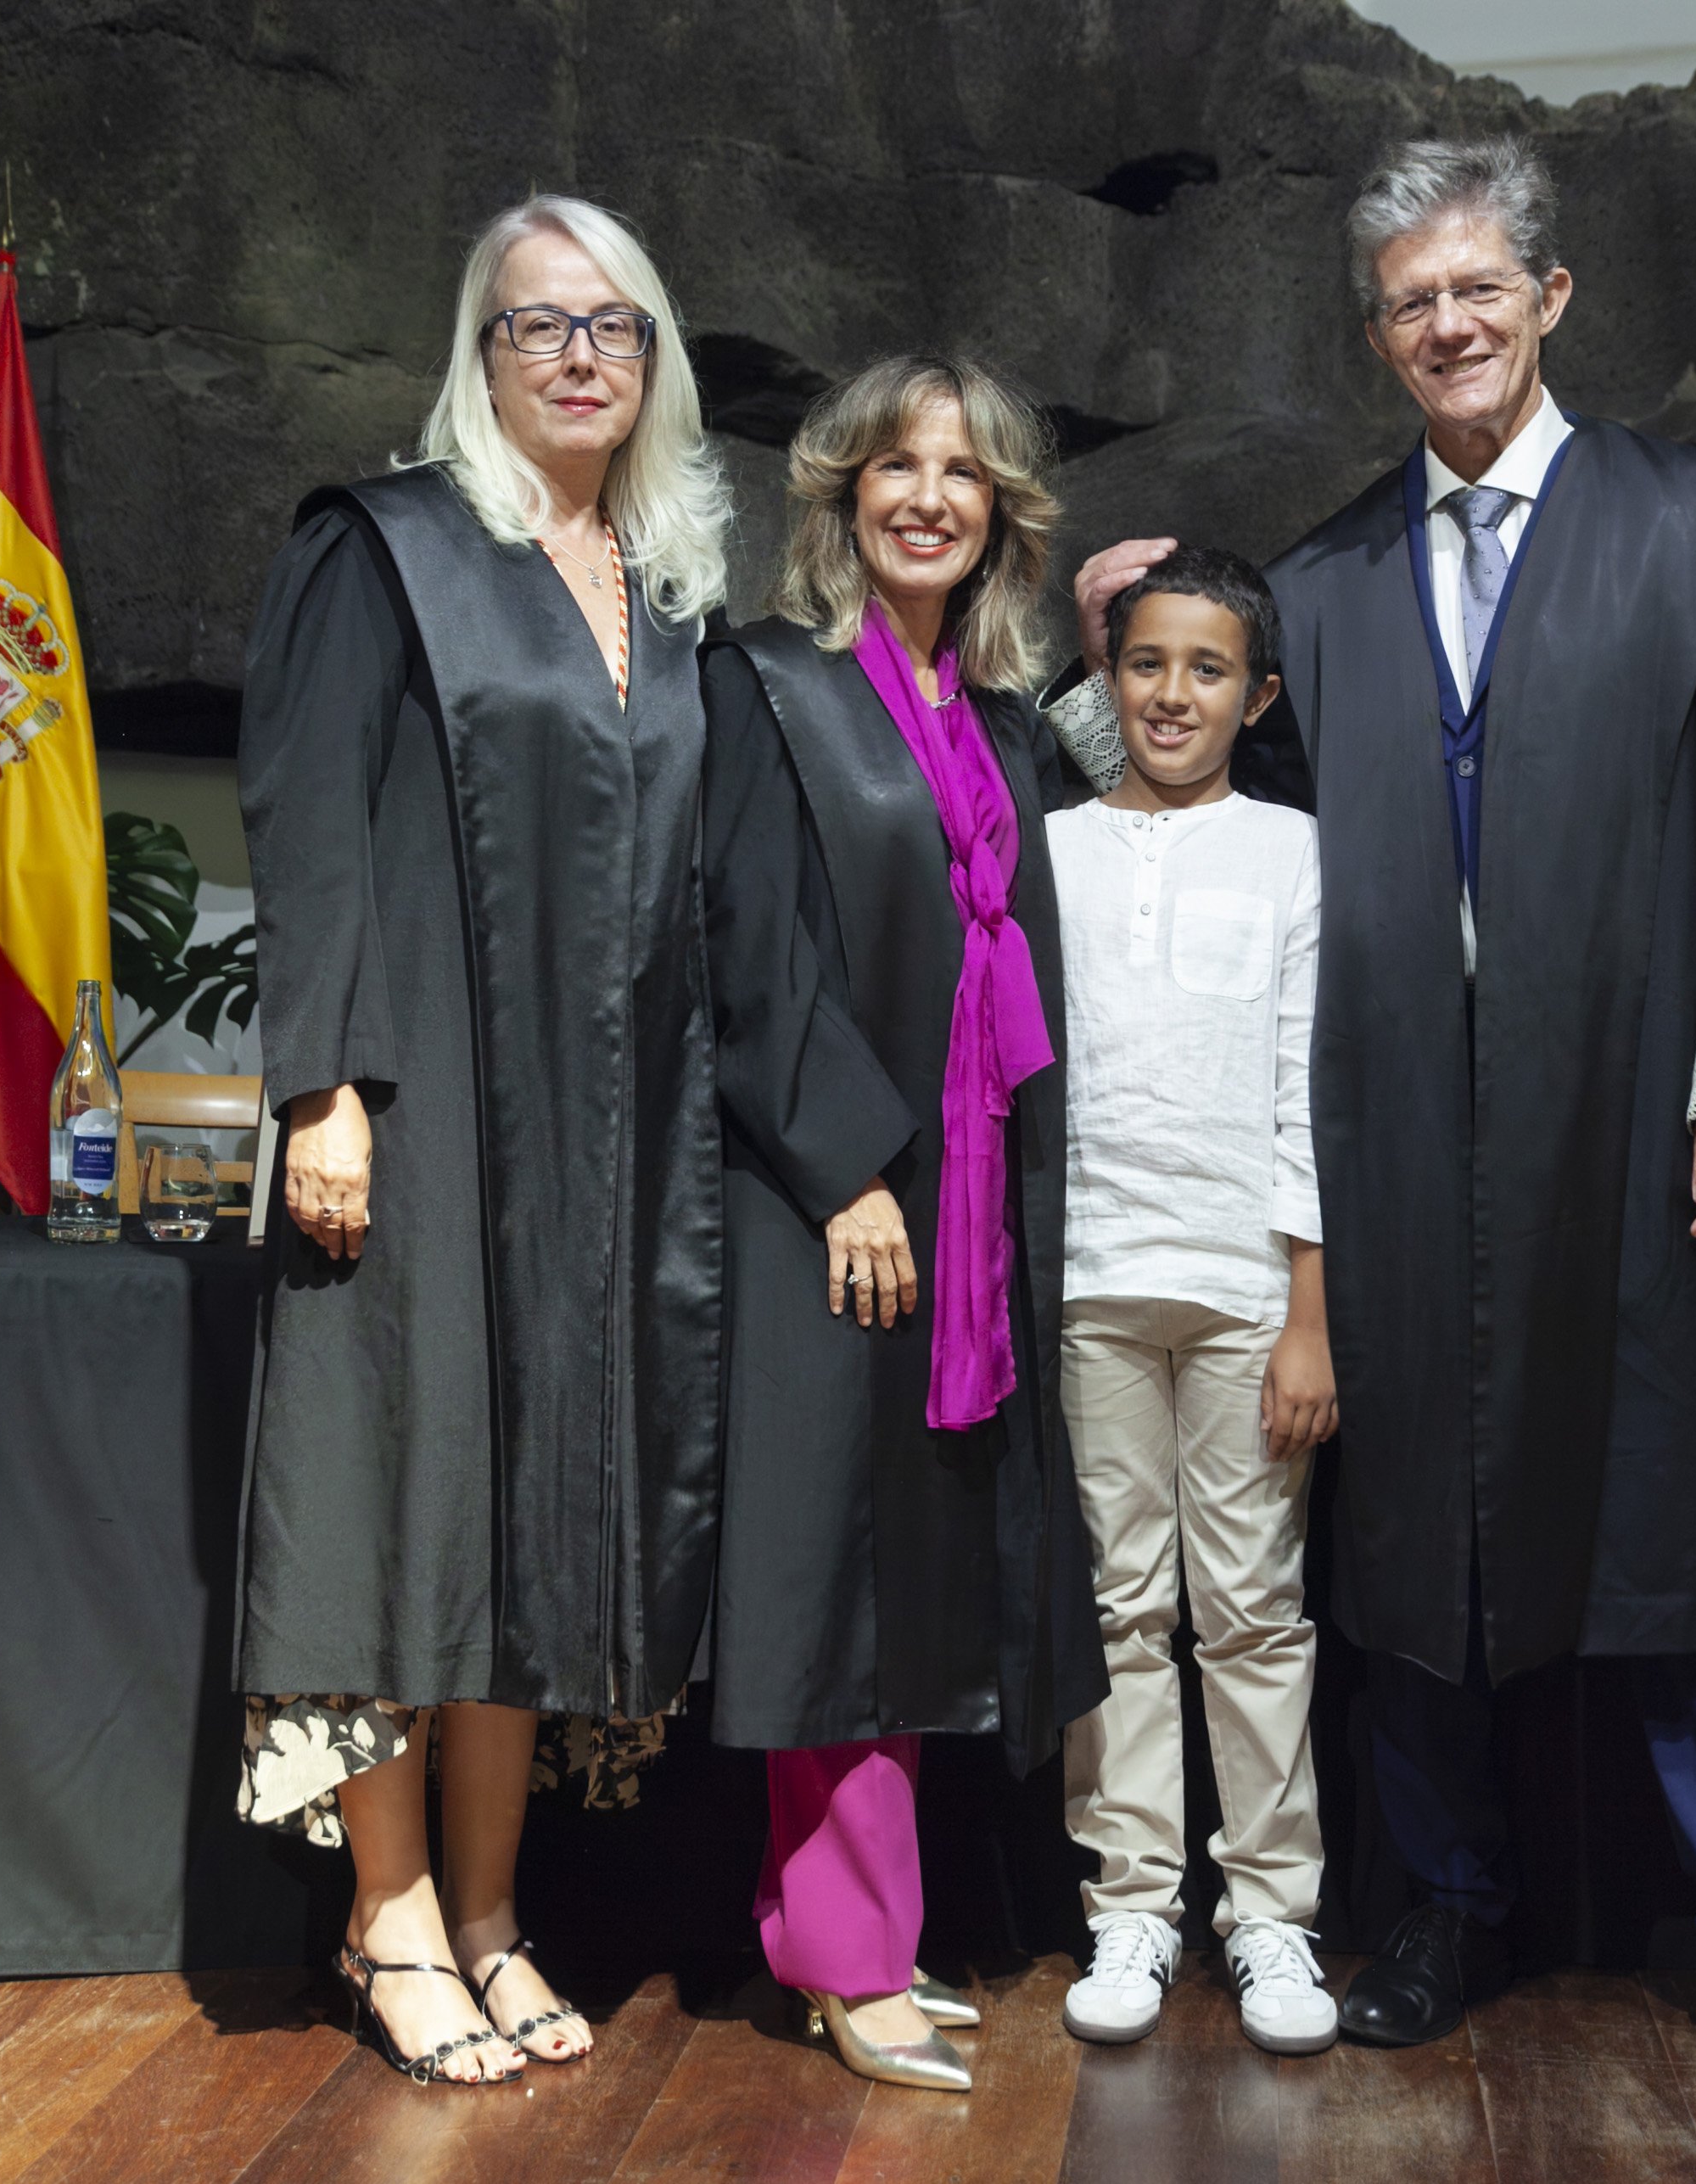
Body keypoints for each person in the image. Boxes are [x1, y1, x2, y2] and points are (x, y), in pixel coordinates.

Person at [1056, 136, 1696, 2120]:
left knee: (1685, 1539)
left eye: (1477, 291)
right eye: (1411, 303)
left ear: (1548, 300)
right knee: (1412, 1552)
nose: (1446, 326)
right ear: (1376, 336)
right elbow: (1179, 775)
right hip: (1400, 1146)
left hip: (1631, 1129)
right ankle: (1443, 1899)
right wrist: (1098, 651)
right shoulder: (1327, 578)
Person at [228, 193, 731, 2089]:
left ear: (653, 356)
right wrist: (322, 1090)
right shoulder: (387, 549)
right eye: (539, 326)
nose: (579, 354)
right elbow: (314, 820)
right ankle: (388, 1918)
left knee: (532, 1516)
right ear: (481, 352)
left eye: (613, 323)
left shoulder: (663, 584)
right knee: (398, 1499)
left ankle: (498, 1910)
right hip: (419, 1099)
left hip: (599, 1144)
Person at [698, 353, 1107, 2094]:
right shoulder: (768, 689)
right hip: (837, 1204)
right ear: (839, 492)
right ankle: (844, 1957)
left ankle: (864, 1933)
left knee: (915, 1579)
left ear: (999, 513)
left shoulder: (1002, 728)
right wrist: (845, 1171)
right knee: (837, 1586)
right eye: (894, 466)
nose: (926, 495)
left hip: (969, 1212)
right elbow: (751, 949)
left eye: (963, 473)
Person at [1043, 547, 1342, 2056]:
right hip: (1092, 1278)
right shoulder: (1050, 848)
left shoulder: (1292, 850)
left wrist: (1308, 1308)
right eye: (1145, 663)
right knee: (1117, 1608)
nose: (1172, 693)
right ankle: (1132, 1900)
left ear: (1257, 693)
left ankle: (1272, 1914)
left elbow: (1304, 1082)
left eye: (1206, 669)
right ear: (1104, 679)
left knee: (1251, 1609)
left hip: (1243, 1295)